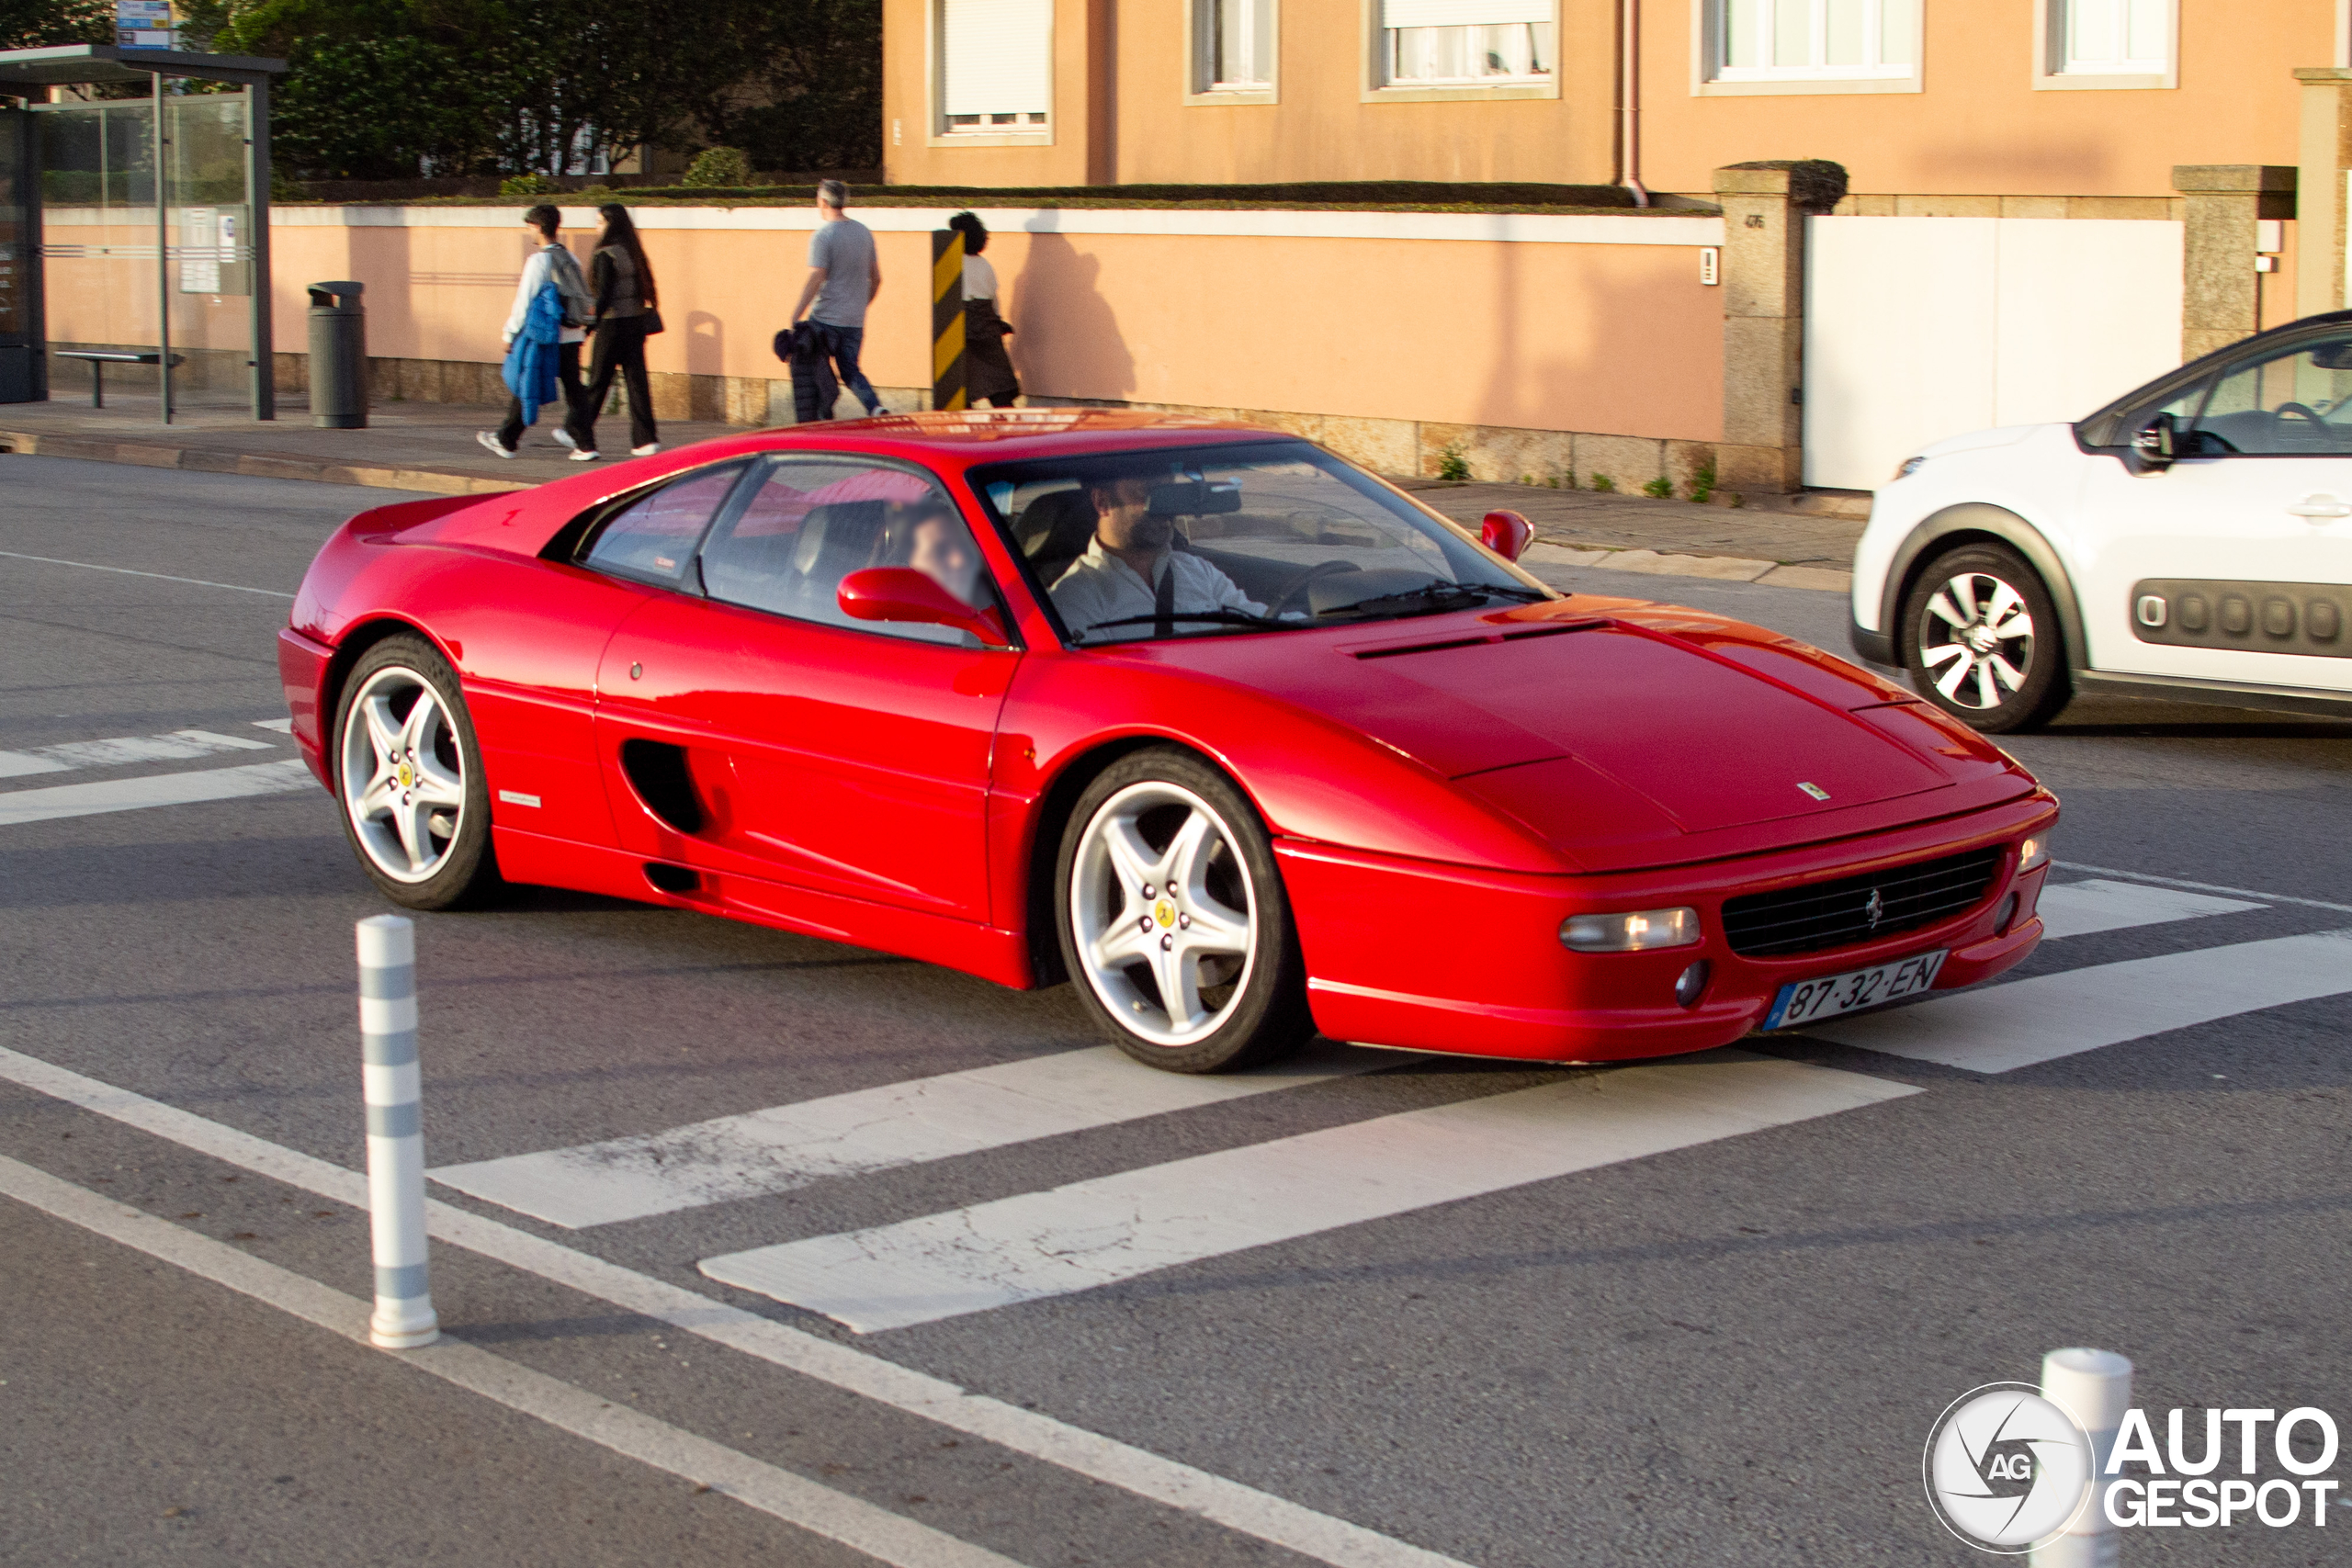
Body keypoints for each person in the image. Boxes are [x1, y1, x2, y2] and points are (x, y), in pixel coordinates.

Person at [1047, 473, 1266, 638]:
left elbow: (1263, 622)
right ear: (1103, 502)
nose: (1164, 506)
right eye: (1146, 492)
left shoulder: (1197, 571)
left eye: (1168, 492)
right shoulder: (1074, 596)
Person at [477, 205, 593, 459]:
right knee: (574, 388)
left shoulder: (539, 260)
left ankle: (506, 440)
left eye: (530, 225)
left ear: (538, 227)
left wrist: (509, 334)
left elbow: (524, 301)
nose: (529, 230)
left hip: (547, 337)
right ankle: (585, 444)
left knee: (528, 380)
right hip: (572, 334)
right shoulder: (571, 258)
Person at [562, 204, 662, 460]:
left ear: (610, 224)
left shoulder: (605, 254)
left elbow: (604, 296)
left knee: (597, 381)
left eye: (599, 222)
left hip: (612, 323)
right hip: (635, 323)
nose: (597, 227)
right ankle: (645, 440)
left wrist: (589, 328)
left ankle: (577, 429)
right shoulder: (633, 251)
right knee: (636, 382)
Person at [789, 179, 884, 418]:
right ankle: (875, 407)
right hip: (854, 320)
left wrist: (797, 312)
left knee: (816, 371)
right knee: (850, 369)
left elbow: (817, 276)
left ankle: (822, 420)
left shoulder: (823, 236)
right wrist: (861, 305)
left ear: (822, 202)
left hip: (825, 318)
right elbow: (877, 278)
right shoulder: (864, 232)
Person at [947, 210, 1019, 409]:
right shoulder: (985, 265)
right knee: (998, 386)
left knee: (960, 385)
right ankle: (1010, 426)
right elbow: (993, 300)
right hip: (987, 325)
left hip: (963, 325)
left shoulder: (951, 262)